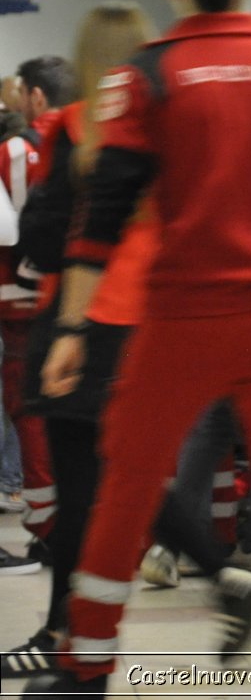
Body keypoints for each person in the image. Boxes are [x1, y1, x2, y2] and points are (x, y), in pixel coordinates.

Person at [27, 0, 251, 696]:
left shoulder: (148, 74)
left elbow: (102, 212)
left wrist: (72, 324)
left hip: (180, 319)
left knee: (127, 479)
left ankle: (87, 662)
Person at [3, 5, 155, 677]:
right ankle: (81, 644)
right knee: (129, 483)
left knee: (81, 493)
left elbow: (39, 231)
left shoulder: (74, 126)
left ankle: (68, 638)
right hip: (156, 324)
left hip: (79, 322)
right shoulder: (166, 128)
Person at [1, 55, 77, 573]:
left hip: (17, 299)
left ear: (36, 96)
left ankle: (48, 528)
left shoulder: (16, 149)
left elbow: (11, 230)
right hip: (77, 300)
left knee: (28, 415)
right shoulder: (95, 137)